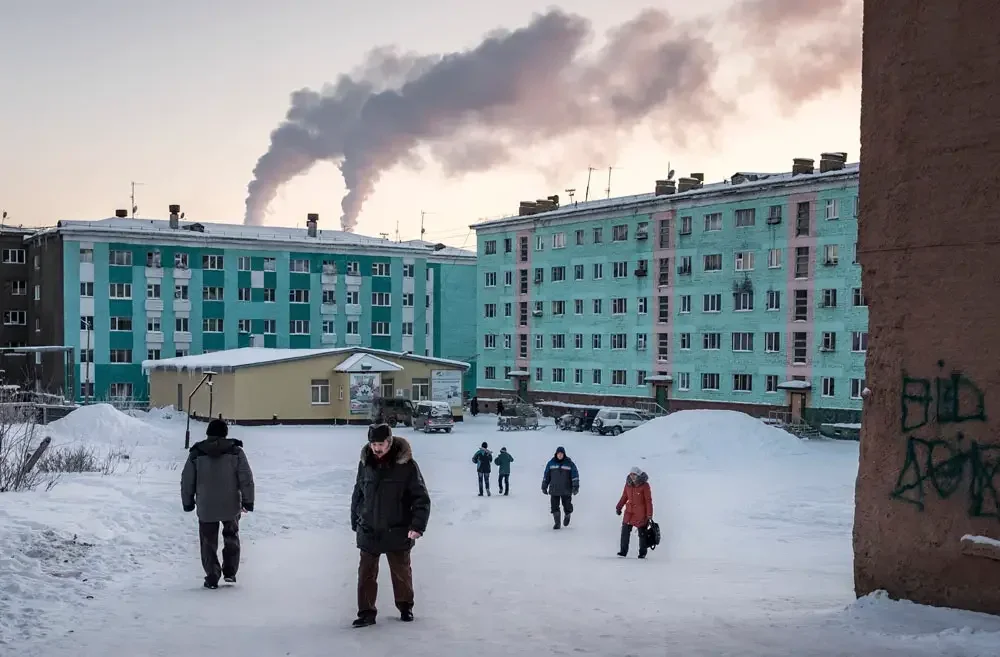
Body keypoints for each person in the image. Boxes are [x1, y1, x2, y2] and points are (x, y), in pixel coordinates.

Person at [351, 424, 431, 627]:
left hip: (397, 528)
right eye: (373, 444)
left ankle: (405, 607)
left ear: (390, 442)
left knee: (401, 573)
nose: (376, 448)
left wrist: (417, 526)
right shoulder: (366, 463)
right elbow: (358, 493)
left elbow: (420, 498)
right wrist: (355, 519)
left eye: (380, 444)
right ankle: (366, 613)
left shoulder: (406, 465)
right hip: (369, 528)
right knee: (366, 574)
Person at [180, 418, 255, 589]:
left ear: (208, 433)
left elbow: (187, 479)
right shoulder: (236, 452)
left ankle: (212, 575)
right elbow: (246, 478)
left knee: (208, 541)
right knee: (231, 536)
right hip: (231, 504)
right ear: (225, 433)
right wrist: (248, 500)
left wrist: (188, 501)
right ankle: (230, 572)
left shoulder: (197, 453)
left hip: (206, 505)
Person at [616, 466, 653, 558]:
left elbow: (648, 501)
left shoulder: (645, 485)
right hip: (629, 512)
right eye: (631, 474)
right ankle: (623, 552)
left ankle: (642, 553)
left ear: (639, 475)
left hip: (641, 513)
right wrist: (619, 507)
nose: (632, 476)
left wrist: (649, 514)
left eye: (634, 475)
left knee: (642, 534)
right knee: (625, 531)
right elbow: (624, 497)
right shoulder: (628, 484)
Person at [541, 446, 579, 529]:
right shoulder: (551, 463)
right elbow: (546, 475)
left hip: (566, 489)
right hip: (554, 489)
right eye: (558, 454)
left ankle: (567, 515)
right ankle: (557, 523)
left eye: (561, 454)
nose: (560, 455)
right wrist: (544, 486)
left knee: (567, 505)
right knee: (554, 506)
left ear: (564, 454)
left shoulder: (569, 463)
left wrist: (575, 487)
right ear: (556, 454)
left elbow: (575, 475)